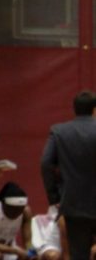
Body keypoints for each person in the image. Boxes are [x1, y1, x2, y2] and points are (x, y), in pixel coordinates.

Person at [40, 90, 96, 260]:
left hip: (73, 203)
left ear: (74, 109)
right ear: (94, 110)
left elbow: (45, 163)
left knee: (78, 254)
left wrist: (54, 196)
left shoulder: (59, 132)